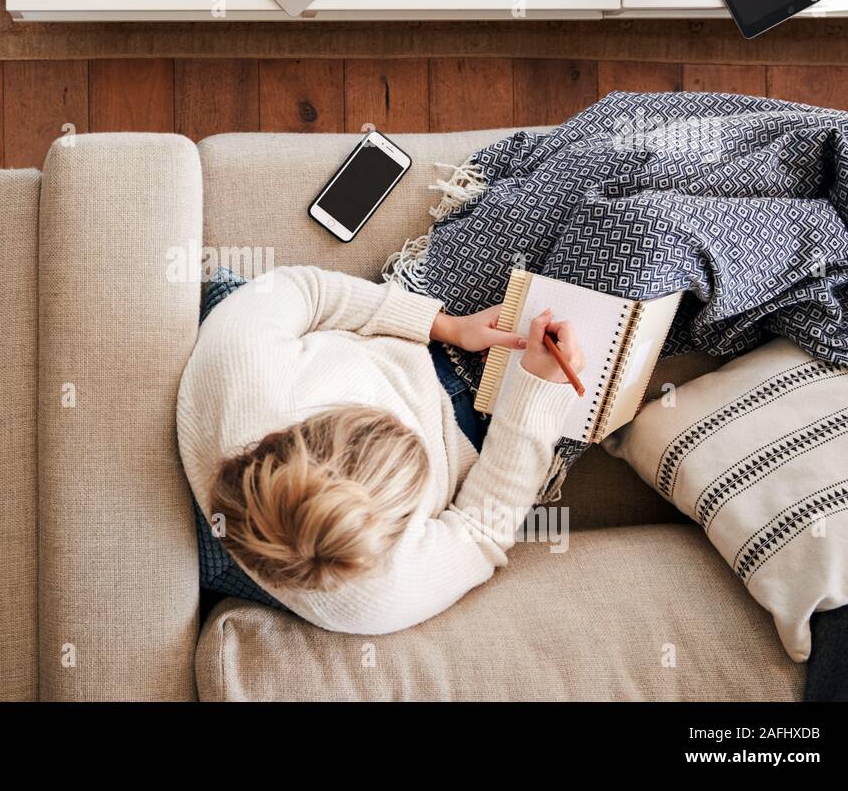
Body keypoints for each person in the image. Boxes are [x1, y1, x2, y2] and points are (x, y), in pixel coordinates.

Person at [177, 266, 584, 635]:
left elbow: (308, 291)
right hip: (491, 433)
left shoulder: (239, 367)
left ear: (307, 425)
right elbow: (482, 532)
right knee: (640, 228)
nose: (408, 422)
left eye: (377, 418)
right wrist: (539, 388)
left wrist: (446, 326)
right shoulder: (378, 597)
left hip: (420, 326)